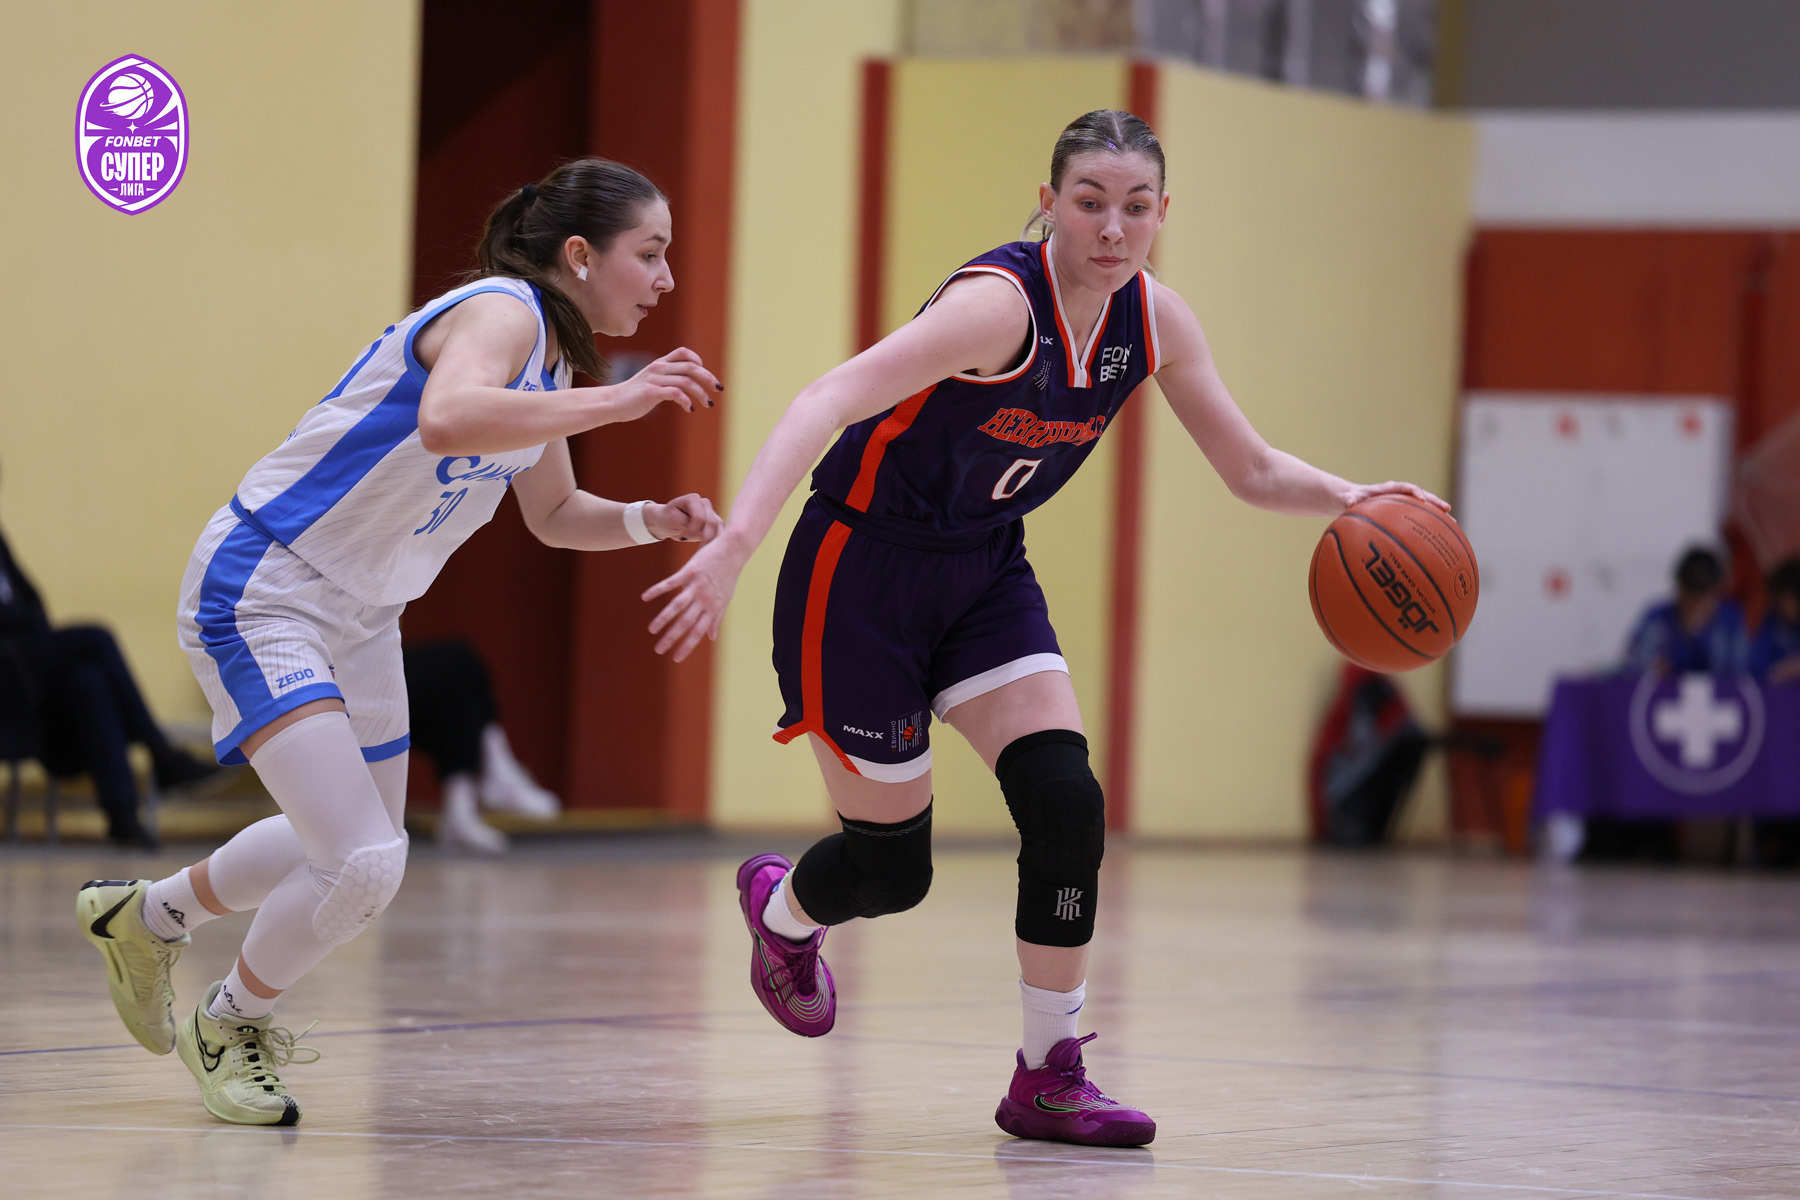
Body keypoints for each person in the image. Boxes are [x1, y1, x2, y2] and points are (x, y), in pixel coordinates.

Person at [642, 110, 1447, 1147]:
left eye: (1136, 206)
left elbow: (1249, 468)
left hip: (984, 572)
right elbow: (828, 397)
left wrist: (1354, 499)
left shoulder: (1154, 322)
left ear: (1163, 213)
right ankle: (783, 913)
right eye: (1090, 202)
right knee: (893, 871)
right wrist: (734, 547)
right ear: (1049, 203)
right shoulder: (996, 307)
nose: (1113, 227)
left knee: (1067, 806)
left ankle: (1047, 1075)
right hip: (861, 574)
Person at [76, 158, 722, 1127]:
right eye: (652, 253)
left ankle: (146, 915)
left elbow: (553, 514)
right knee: (361, 862)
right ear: (581, 256)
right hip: (268, 585)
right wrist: (618, 401)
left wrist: (647, 519)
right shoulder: (503, 311)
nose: (666, 279)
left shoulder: (548, 361)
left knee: (355, 852)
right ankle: (230, 1021)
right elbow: (448, 418)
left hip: (365, 615)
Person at [0, 490, 217, 847]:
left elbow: (34, 605)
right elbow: (19, 617)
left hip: (26, 668)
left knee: (88, 681)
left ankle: (122, 814)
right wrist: (22, 624)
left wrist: (22, 623)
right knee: (96, 638)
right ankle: (161, 754)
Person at [404, 637, 561, 853]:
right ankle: (488, 783)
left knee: (456, 685)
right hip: (357, 678)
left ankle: (463, 806)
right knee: (456, 664)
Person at [1621, 546, 1748, 676]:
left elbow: (1739, 672)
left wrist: (1698, 635)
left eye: (1703, 594)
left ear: (1717, 592)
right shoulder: (1658, 619)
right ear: (1679, 586)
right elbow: (1632, 665)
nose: (1696, 602)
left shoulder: (1730, 622)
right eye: (1690, 592)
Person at [1749, 557, 1800, 685]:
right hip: (1778, 693)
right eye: (1779, 596)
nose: (1780, 602)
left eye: (1787, 598)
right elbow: (1757, 668)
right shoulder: (1771, 621)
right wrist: (1781, 671)